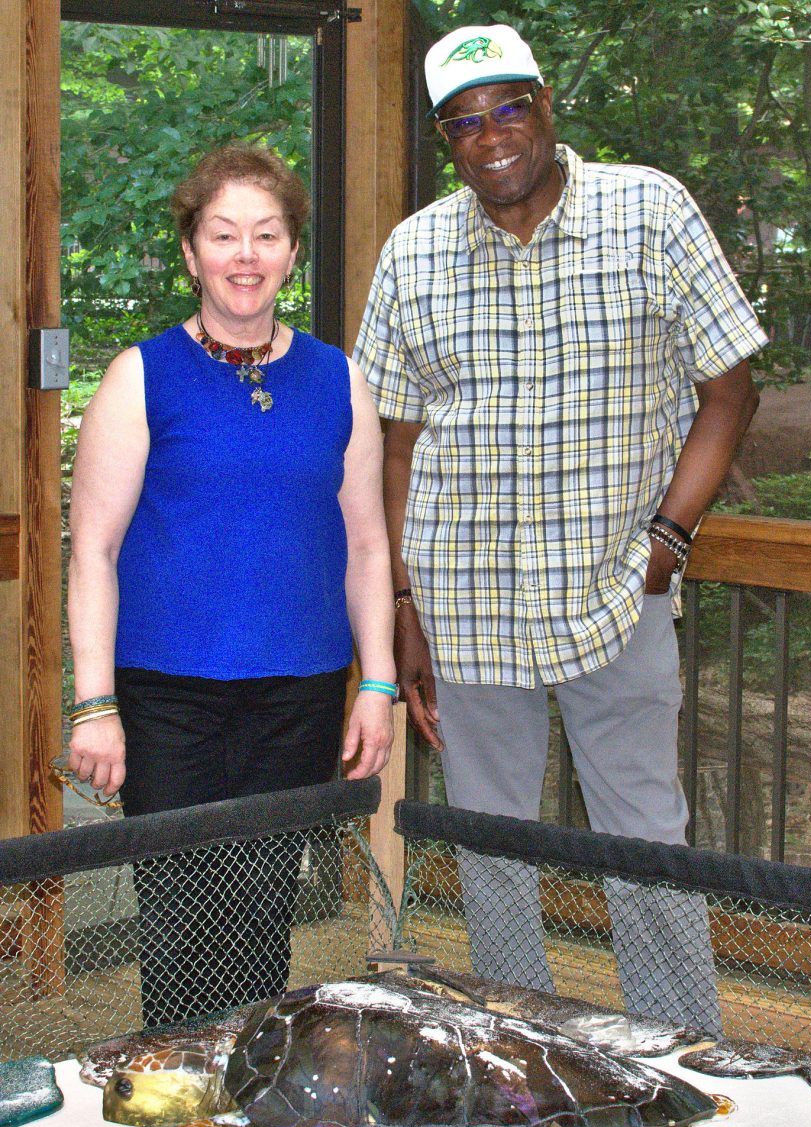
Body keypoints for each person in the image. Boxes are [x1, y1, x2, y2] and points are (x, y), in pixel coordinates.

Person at [354, 24, 768, 1035]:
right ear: (445, 139)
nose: (491, 134)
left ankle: (680, 1048)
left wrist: (667, 544)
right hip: (465, 605)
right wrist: (403, 603)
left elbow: (728, 392)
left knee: (643, 840)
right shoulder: (413, 251)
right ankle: (519, 1046)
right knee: (491, 843)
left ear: (545, 104)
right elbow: (393, 445)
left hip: (617, 591)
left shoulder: (649, 210)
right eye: (464, 122)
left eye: (508, 107)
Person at [68, 141, 396, 1025]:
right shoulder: (140, 376)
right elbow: (92, 550)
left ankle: (251, 1079)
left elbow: (367, 547)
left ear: (291, 252)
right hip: (168, 699)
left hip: (299, 695)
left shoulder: (339, 380)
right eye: (222, 235)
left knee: (261, 913)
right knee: (182, 919)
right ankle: (178, 1081)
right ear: (191, 253)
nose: (244, 255)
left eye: (266, 234)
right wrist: (94, 704)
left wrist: (376, 685)